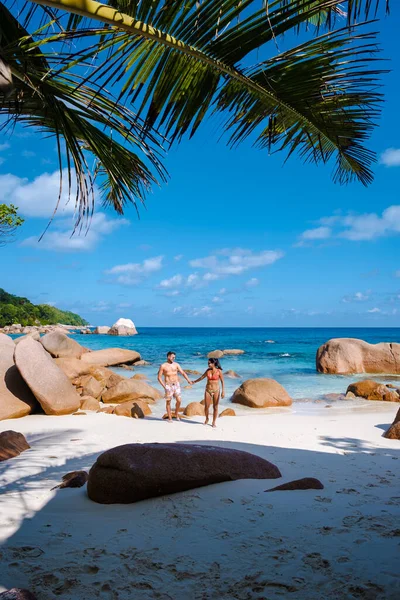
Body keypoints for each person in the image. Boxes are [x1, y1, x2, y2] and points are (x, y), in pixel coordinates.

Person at [158, 351, 193, 422]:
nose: (174, 358)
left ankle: (176, 414)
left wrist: (188, 380)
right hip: (168, 385)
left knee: (179, 400)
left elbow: (182, 373)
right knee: (168, 402)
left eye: (174, 357)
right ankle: (170, 418)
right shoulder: (163, 366)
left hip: (176, 384)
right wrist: (164, 386)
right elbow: (159, 377)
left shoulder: (176, 365)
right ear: (168, 357)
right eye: (173, 357)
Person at [192, 358, 225, 428]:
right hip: (208, 390)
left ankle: (213, 421)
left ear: (214, 364)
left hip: (216, 390)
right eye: (208, 363)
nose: (208, 364)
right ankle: (207, 419)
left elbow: (222, 381)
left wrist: (223, 391)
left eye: (210, 363)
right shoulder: (208, 371)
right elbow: (201, 377)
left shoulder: (219, 371)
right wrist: (194, 381)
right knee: (206, 407)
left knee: (215, 407)